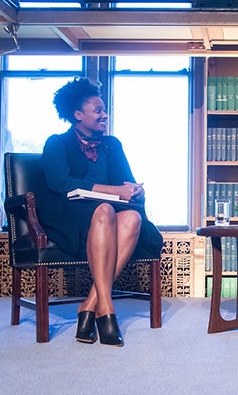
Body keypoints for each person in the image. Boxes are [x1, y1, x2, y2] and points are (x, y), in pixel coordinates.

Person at [38, 77, 163, 347]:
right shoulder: (56, 143)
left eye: (104, 109)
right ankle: (107, 310)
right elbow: (61, 183)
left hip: (109, 214)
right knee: (105, 208)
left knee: (132, 217)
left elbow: (126, 181)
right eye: (98, 110)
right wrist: (115, 191)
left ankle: (92, 304)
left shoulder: (112, 144)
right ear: (78, 115)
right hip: (69, 213)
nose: (104, 114)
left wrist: (135, 191)